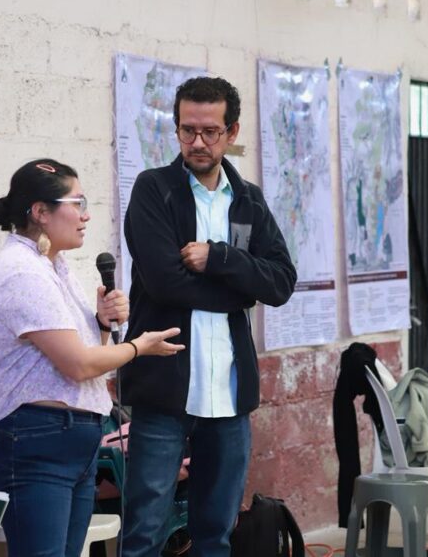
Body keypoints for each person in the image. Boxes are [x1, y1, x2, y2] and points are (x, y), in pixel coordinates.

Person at [120, 76, 297, 557]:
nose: (197, 142)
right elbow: (164, 282)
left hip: (229, 396)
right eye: (187, 130)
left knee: (216, 535)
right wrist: (241, 293)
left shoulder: (248, 200)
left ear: (232, 132)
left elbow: (281, 282)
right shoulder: (154, 189)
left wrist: (219, 258)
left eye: (210, 131)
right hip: (164, 392)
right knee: (144, 535)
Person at [0, 158, 184, 557]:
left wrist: (102, 324)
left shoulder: (53, 266)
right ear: (41, 212)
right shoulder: (23, 273)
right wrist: (139, 346)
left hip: (71, 442)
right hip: (35, 442)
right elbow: (79, 365)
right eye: (78, 203)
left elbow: (85, 356)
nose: (86, 215)